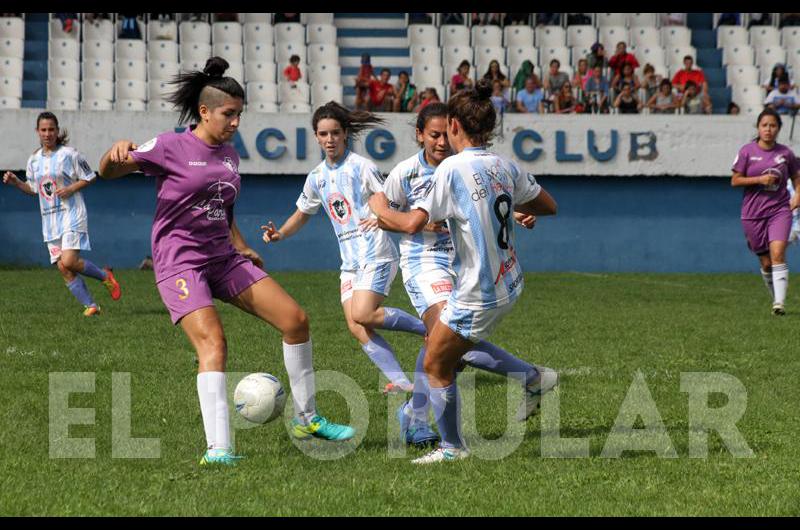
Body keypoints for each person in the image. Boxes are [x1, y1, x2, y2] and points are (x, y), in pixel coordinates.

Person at [97, 57, 355, 466]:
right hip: (180, 263)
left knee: (296, 321)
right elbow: (107, 173)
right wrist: (113, 155)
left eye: (240, 114)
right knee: (214, 344)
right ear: (204, 112)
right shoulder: (170, 146)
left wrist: (242, 245)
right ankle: (219, 449)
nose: (236, 122)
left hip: (223, 257)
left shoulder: (230, 156)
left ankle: (309, 420)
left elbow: (222, 207)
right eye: (228, 114)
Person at [366, 79, 559, 463]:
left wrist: (378, 206)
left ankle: (451, 446)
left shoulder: (451, 169)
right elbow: (548, 206)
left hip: (477, 289)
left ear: (455, 125)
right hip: (508, 280)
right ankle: (526, 381)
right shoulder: (504, 165)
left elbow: (408, 224)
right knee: (444, 351)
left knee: (438, 362)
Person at [262, 101, 427, 396]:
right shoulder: (316, 177)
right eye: (323, 134)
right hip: (349, 263)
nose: (329, 140)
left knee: (363, 313)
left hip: (376, 253)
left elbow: (386, 199)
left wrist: (382, 217)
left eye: (335, 133)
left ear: (345, 133)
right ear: (316, 136)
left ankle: (431, 330)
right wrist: (280, 234)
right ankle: (402, 382)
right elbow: (302, 212)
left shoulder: (362, 167)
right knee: (355, 324)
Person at [2, 112, 122, 317]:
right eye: (43, 130)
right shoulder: (33, 160)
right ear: (37, 132)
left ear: (57, 131)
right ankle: (91, 306)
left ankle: (105, 276)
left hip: (72, 213)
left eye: (51, 129)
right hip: (50, 221)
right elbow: (34, 189)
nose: (47, 133)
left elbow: (90, 177)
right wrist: (16, 183)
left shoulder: (70, 154)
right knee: (63, 268)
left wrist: (71, 189)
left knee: (69, 260)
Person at [731, 107, 800, 315]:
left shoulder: (786, 153)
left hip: (779, 210)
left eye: (773, 125)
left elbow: (797, 177)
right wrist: (759, 179)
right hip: (753, 214)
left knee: (778, 253)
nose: (768, 129)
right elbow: (735, 180)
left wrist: (797, 194)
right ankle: (775, 299)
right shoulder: (746, 152)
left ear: (778, 129)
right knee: (766, 262)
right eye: (764, 125)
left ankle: (779, 303)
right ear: (758, 128)